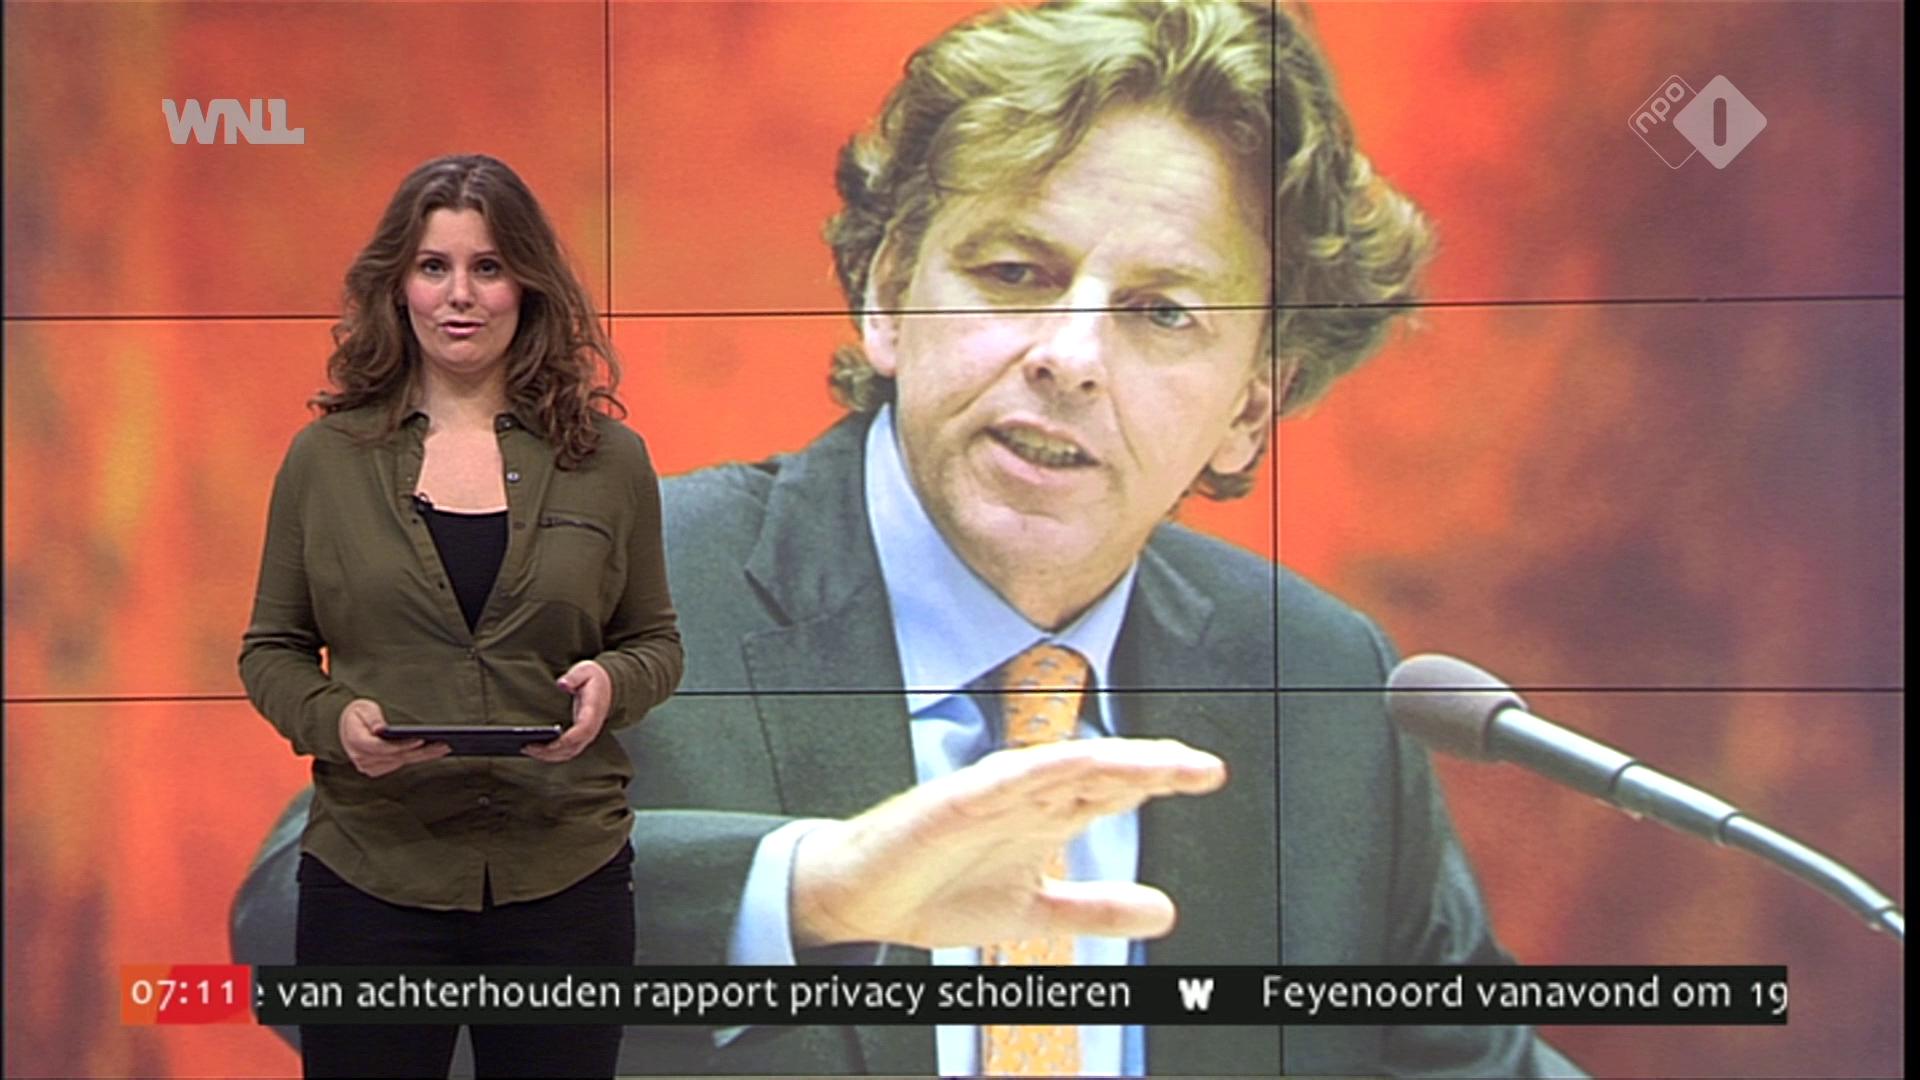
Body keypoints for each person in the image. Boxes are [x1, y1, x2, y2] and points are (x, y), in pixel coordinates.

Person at [236, 4, 1579, 1075]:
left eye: (1164, 312)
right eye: (1014, 273)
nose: (1069, 356)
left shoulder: (1321, 686)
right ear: (887, 295)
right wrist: (805, 892)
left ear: (1252, 406)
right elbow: (307, 930)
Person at [237, 153, 683, 1078]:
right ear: (397, 286)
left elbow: (654, 642)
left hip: (565, 877)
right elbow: (272, 649)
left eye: (488, 267)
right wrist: (333, 720)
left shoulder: (609, 460)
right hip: (373, 875)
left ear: (528, 285)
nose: (460, 296)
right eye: (434, 267)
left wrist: (613, 684)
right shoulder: (326, 459)